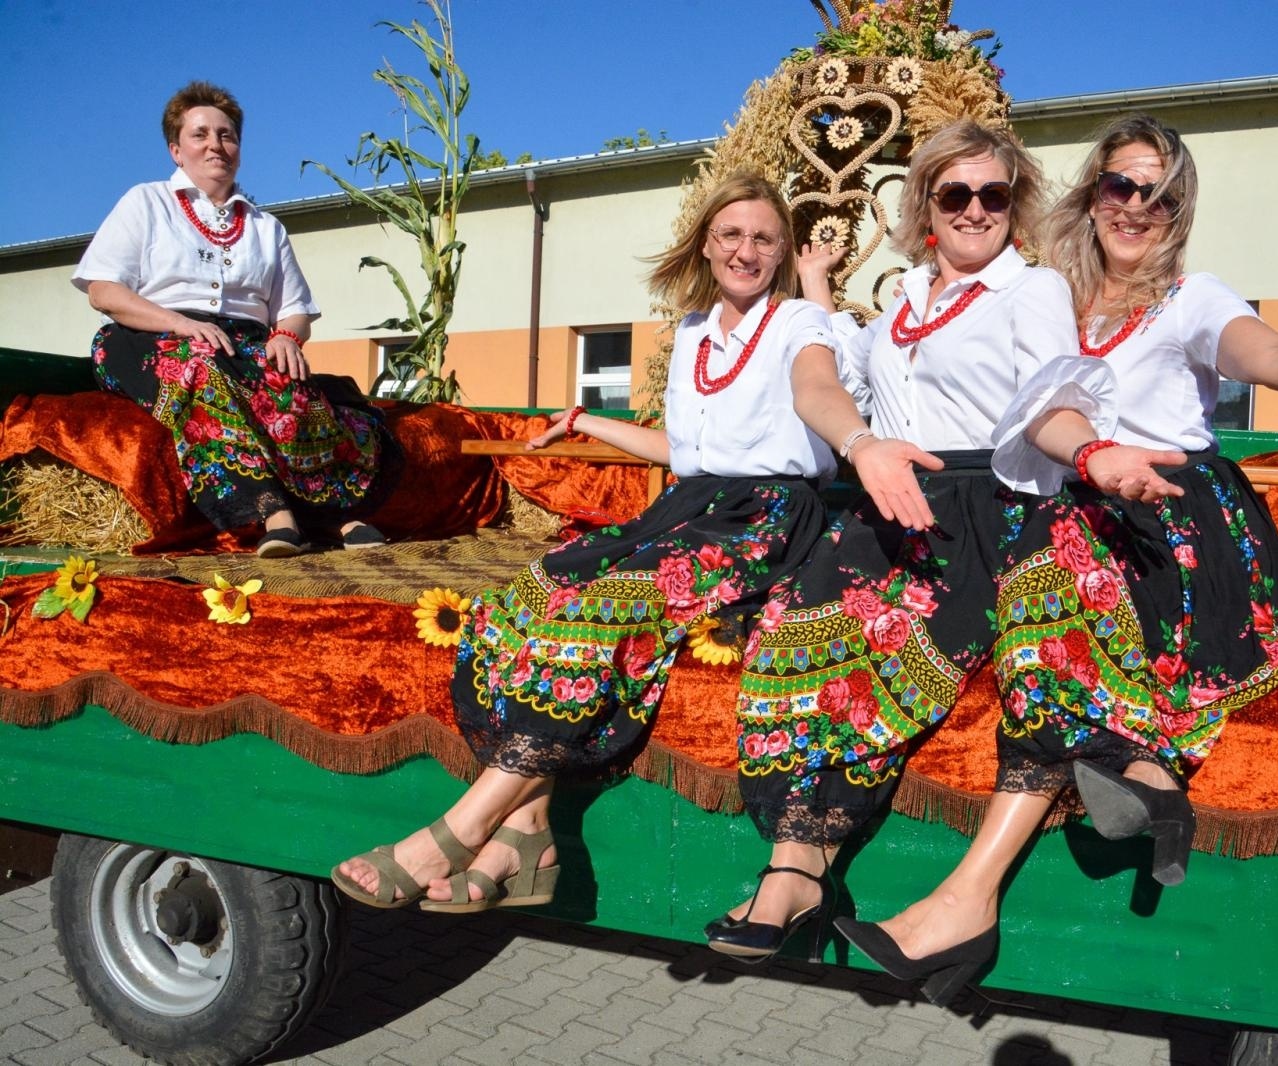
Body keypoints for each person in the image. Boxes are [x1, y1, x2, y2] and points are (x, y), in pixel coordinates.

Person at [832, 113, 1278, 1006]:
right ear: (1092, 193)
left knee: (1049, 619)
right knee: (1033, 601)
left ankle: (972, 896)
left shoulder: (1191, 299)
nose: (1138, 206)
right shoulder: (1038, 296)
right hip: (1077, 507)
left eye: (1161, 191)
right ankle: (1144, 776)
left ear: (1179, 208)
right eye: (1121, 184)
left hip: (1176, 513)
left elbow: (1266, 351)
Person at [332, 172, 883, 911]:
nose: (745, 251)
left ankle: (467, 824)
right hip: (694, 505)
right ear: (706, 244)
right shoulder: (692, 334)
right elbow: (686, 453)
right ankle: (527, 829)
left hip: (769, 520)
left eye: (762, 238)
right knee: (525, 593)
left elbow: (818, 390)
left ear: (782, 251)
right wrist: (587, 422)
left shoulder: (797, 326)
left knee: (602, 611)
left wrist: (859, 438)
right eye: (731, 235)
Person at [704, 120, 1123, 963]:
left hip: (983, 502)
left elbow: (1049, 400)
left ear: (1015, 204)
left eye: (993, 195)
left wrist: (1090, 450)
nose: (975, 210)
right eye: (954, 193)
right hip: (887, 497)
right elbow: (853, 386)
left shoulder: (1030, 290)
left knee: (893, 650)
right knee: (796, 637)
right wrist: (819, 294)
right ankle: (795, 865)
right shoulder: (903, 298)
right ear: (926, 202)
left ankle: (804, 869)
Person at [71, 81, 393, 558]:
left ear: (238, 149)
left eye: (226, 135)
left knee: (290, 385)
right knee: (199, 364)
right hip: (148, 335)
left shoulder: (266, 226)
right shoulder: (146, 202)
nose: (215, 145)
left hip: (243, 343)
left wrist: (285, 336)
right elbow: (103, 291)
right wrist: (178, 324)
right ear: (176, 150)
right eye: (200, 135)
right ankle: (274, 514)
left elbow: (296, 307)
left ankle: (335, 513)